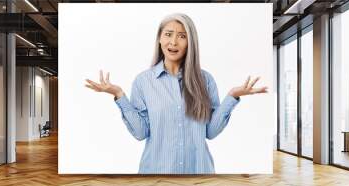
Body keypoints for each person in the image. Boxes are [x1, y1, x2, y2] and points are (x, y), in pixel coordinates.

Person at [85, 13, 267, 174]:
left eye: (182, 36)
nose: (173, 42)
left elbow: (210, 132)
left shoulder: (205, 80)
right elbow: (141, 133)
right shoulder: (143, 81)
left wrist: (232, 97)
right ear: (159, 38)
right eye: (168, 34)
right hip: (156, 174)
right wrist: (118, 95)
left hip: (199, 174)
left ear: (190, 43)